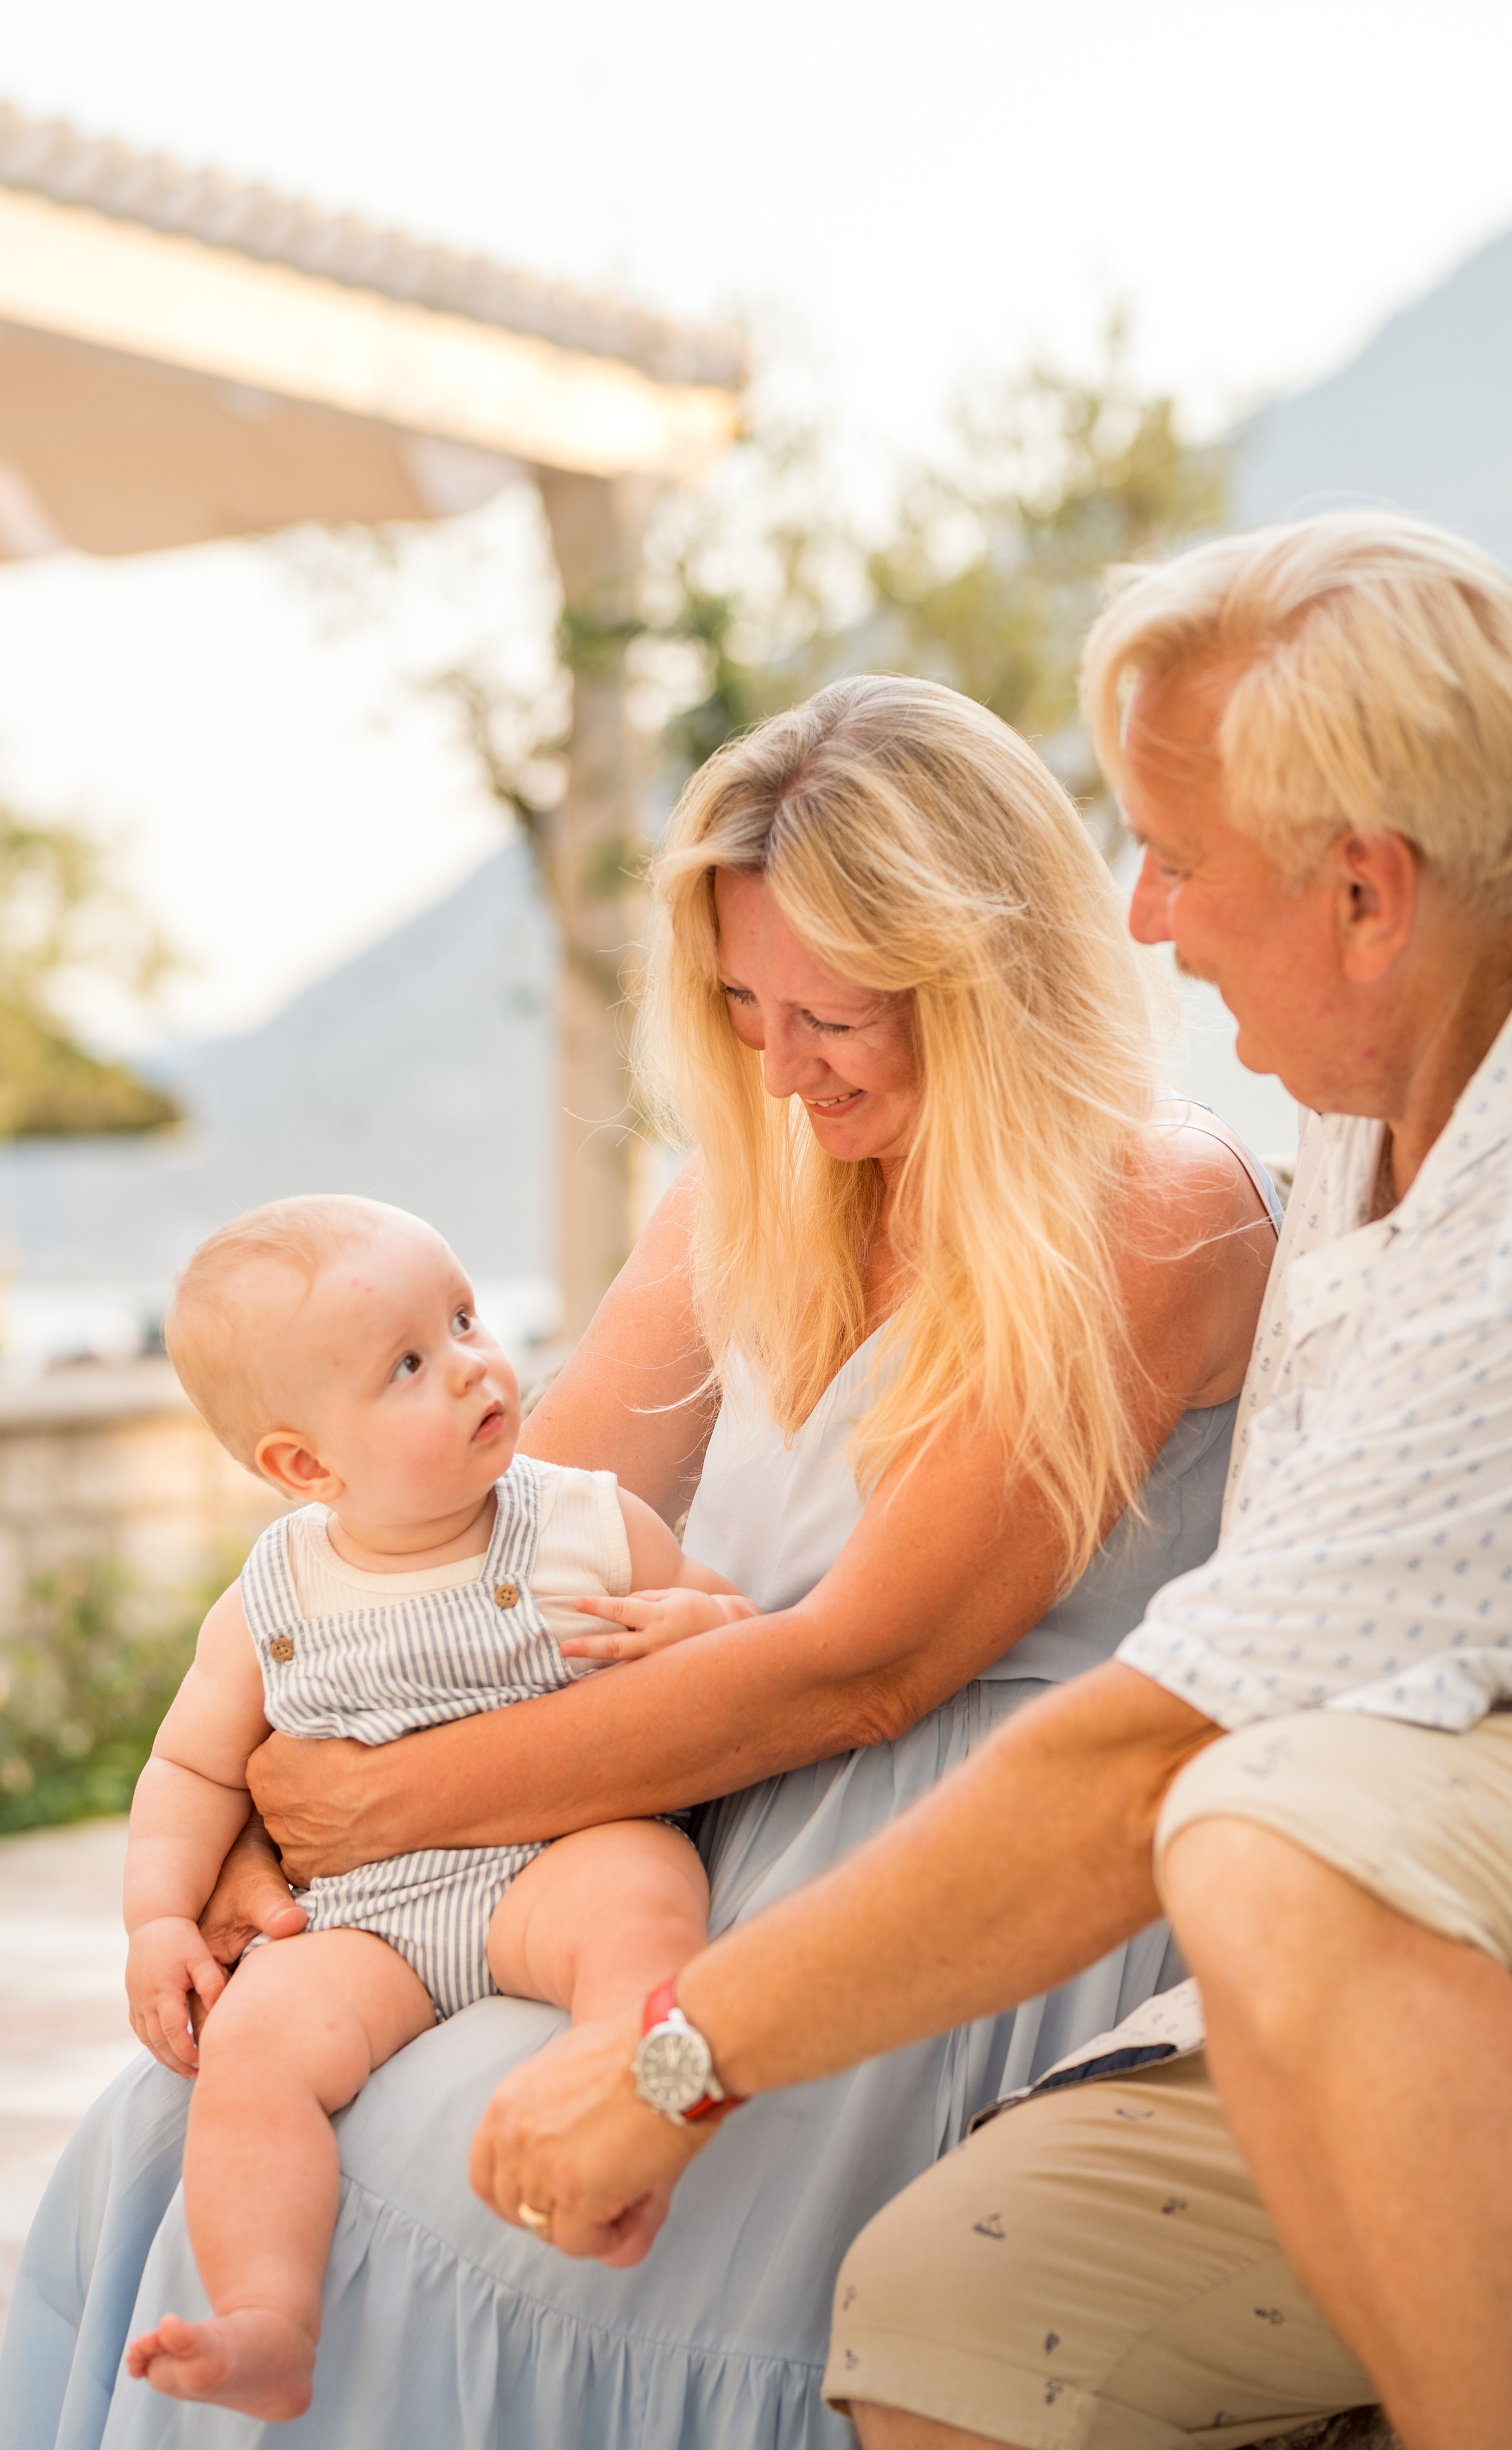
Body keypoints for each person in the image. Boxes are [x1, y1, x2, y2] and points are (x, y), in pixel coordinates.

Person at [0, 676, 1273, 2450]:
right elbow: (479, 1535)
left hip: (935, 1869)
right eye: (744, 1008)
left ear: (984, 972)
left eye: (829, 1013)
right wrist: (256, 1855)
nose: (778, 1063)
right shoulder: (746, 1189)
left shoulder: (1151, 1207)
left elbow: (870, 1664)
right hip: (646, 1817)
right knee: (186, 2109)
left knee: (449, 2198)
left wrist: (392, 1804)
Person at [470, 513, 1512, 2450]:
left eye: (1178, 860)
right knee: (958, 2303)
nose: (1142, 924)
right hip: (1326, 1896)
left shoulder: (1405, 1217)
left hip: (1361, 1891)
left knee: (1270, 1822)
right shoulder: (1363, 1118)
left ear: (1367, 895)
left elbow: (1130, 1747)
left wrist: (673, 2062)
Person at [123, 1194, 741, 2418]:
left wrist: (704, 1622)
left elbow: (744, 1637)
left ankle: (647, 2117)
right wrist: (158, 1921)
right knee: (252, 2053)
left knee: (641, 1905)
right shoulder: (274, 1593)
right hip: (370, 1920)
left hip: (554, 1857)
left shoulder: (581, 1518)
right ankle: (267, 2316)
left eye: (463, 1319)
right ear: (304, 1465)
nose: (471, 1367)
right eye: (410, 1364)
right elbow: (190, 1769)